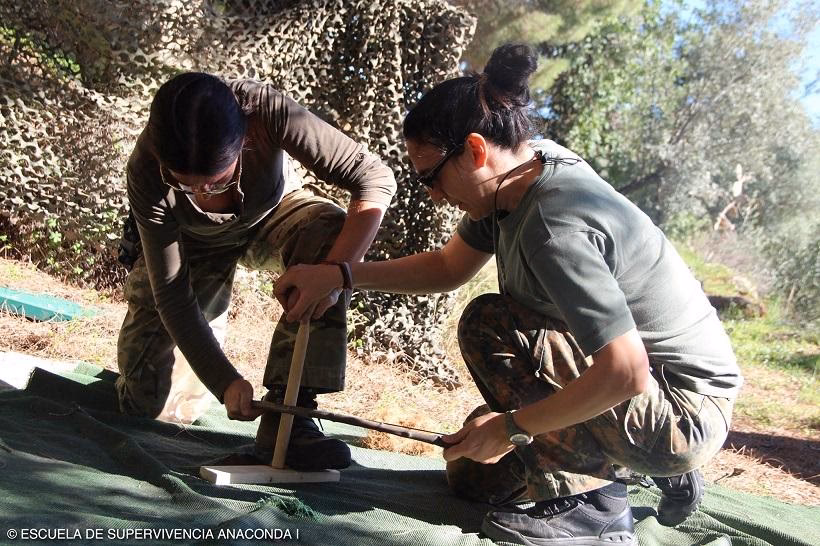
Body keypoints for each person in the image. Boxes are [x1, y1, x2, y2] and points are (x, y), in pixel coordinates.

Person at [274, 44, 742, 545]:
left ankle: (594, 506)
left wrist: (513, 427)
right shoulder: (518, 178)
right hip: (639, 394)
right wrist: (342, 275)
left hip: (680, 410)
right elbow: (449, 266)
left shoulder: (552, 226)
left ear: (476, 149)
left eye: (431, 177)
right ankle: (625, 461)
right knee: (473, 477)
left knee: (488, 322)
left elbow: (626, 371)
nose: (432, 194)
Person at [116, 72, 396, 471]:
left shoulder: (266, 112)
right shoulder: (146, 170)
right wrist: (225, 381)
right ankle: (168, 370)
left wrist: (334, 276)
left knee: (329, 229)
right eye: (186, 186)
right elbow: (172, 294)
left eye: (214, 184)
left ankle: (291, 416)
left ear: (246, 139)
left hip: (271, 217)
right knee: (146, 406)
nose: (202, 197)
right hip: (191, 246)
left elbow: (375, 179)